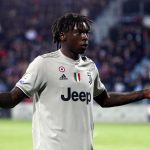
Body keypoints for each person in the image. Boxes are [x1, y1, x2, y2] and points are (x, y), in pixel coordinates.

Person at [0, 12, 150, 150]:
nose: (85, 37)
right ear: (62, 36)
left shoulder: (90, 67)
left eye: (86, 33)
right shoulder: (43, 64)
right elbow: (12, 98)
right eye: (78, 32)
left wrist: (143, 93)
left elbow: (105, 100)